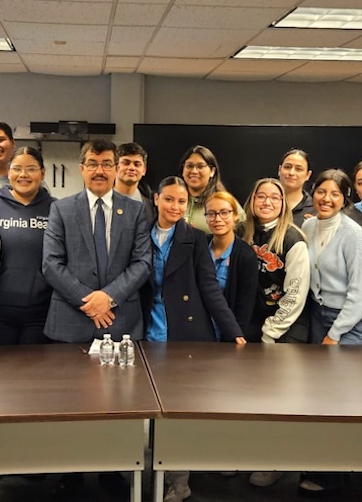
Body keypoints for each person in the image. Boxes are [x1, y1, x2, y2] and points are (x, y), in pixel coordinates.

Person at [42, 139, 151, 499]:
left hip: (120, 321)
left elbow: (142, 264)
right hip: (71, 321)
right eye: (93, 163)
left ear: (117, 167)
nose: (100, 170)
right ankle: (70, 472)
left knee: (116, 404)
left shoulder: (135, 211)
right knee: (68, 404)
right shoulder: (62, 209)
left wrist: (110, 297)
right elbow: (51, 264)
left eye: (107, 163)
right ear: (82, 167)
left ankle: (111, 470)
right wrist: (90, 301)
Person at [143, 177, 245, 502]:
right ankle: (141, 471)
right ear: (157, 199)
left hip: (184, 332)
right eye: (169, 200)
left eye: (181, 202)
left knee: (178, 412)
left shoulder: (195, 238)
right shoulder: (140, 234)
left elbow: (209, 287)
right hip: (146, 328)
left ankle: (179, 480)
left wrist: (233, 331)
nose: (175, 207)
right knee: (146, 410)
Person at [298, 169, 362, 496]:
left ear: (345, 199)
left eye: (335, 194)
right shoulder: (309, 225)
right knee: (317, 399)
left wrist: (335, 333)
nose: (326, 199)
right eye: (321, 192)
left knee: (342, 402)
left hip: (350, 323)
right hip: (319, 314)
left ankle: (339, 476)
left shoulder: (354, 234)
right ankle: (317, 466)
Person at [0, 147, 55, 345]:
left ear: (42, 172)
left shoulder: (56, 209)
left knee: (36, 374)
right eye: (17, 169)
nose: (23, 175)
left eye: (31, 169)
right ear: (8, 171)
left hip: (42, 313)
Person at [241, 178, 310, 345]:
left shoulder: (293, 239)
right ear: (253, 200)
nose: (267, 202)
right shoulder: (241, 233)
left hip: (286, 324)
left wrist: (271, 331)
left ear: (282, 202)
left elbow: (295, 294)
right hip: (252, 320)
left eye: (274, 197)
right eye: (261, 196)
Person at [205, 191, 258, 341]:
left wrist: (235, 336)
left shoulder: (246, 255)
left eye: (224, 213)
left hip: (228, 334)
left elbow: (245, 306)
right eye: (211, 214)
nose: (217, 219)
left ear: (235, 215)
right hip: (198, 331)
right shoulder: (200, 246)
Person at [179, 145, 243, 234]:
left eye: (200, 166)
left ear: (212, 171)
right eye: (189, 166)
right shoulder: (175, 200)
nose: (194, 171)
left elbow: (246, 230)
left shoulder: (224, 201)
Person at [114, 142, 154, 222]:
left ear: (144, 170)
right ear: (115, 167)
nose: (131, 168)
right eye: (126, 163)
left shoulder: (151, 207)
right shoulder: (101, 201)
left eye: (137, 164)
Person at [278, 148, 315, 227]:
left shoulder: (315, 209)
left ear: (308, 175)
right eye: (287, 167)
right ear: (279, 170)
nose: (291, 173)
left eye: (298, 169)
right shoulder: (266, 203)